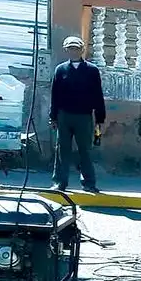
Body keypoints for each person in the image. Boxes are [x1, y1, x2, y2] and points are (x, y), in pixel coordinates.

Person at [49, 36, 106, 192]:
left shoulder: (92, 71)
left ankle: (89, 183)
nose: (73, 51)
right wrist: (53, 116)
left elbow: (98, 95)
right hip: (64, 116)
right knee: (62, 150)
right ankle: (60, 183)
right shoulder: (60, 70)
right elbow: (55, 95)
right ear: (66, 50)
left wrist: (99, 119)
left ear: (82, 50)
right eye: (70, 49)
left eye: (76, 48)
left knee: (85, 150)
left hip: (84, 117)